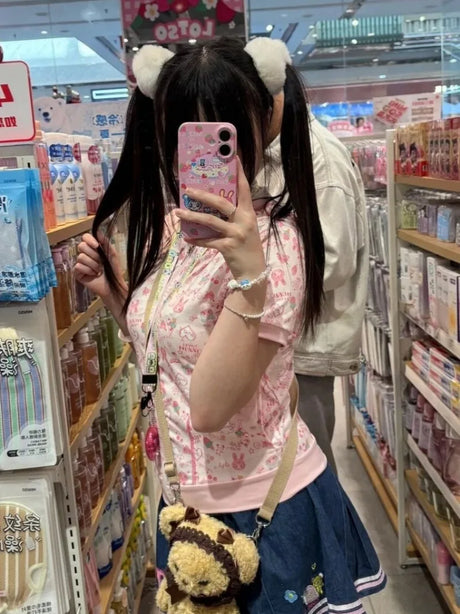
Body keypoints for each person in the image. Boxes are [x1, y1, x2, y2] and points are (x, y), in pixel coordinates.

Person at [75, 37, 385, 613]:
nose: (199, 154)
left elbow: (209, 408)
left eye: (221, 132)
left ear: (260, 126)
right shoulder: (175, 234)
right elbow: (168, 358)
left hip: (264, 510)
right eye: (182, 133)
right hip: (186, 505)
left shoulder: (278, 245)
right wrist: (118, 297)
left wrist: (248, 275)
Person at [293, 114, 369, 473]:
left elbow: (334, 261)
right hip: (290, 341)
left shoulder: (317, 153)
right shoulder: (291, 148)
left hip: (305, 344)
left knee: (310, 469)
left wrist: (254, 280)